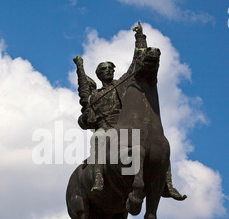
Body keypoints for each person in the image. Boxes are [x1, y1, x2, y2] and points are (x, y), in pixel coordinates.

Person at [73, 22, 186, 201]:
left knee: (157, 142)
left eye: (110, 68)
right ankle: (99, 178)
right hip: (105, 130)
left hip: (124, 124)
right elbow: (85, 106)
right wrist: (80, 69)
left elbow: (136, 64)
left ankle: (167, 184)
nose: (108, 71)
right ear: (98, 75)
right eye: (103, 69)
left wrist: (140, 38)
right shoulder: (94, 96)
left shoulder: (120, 85)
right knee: (97, 138)